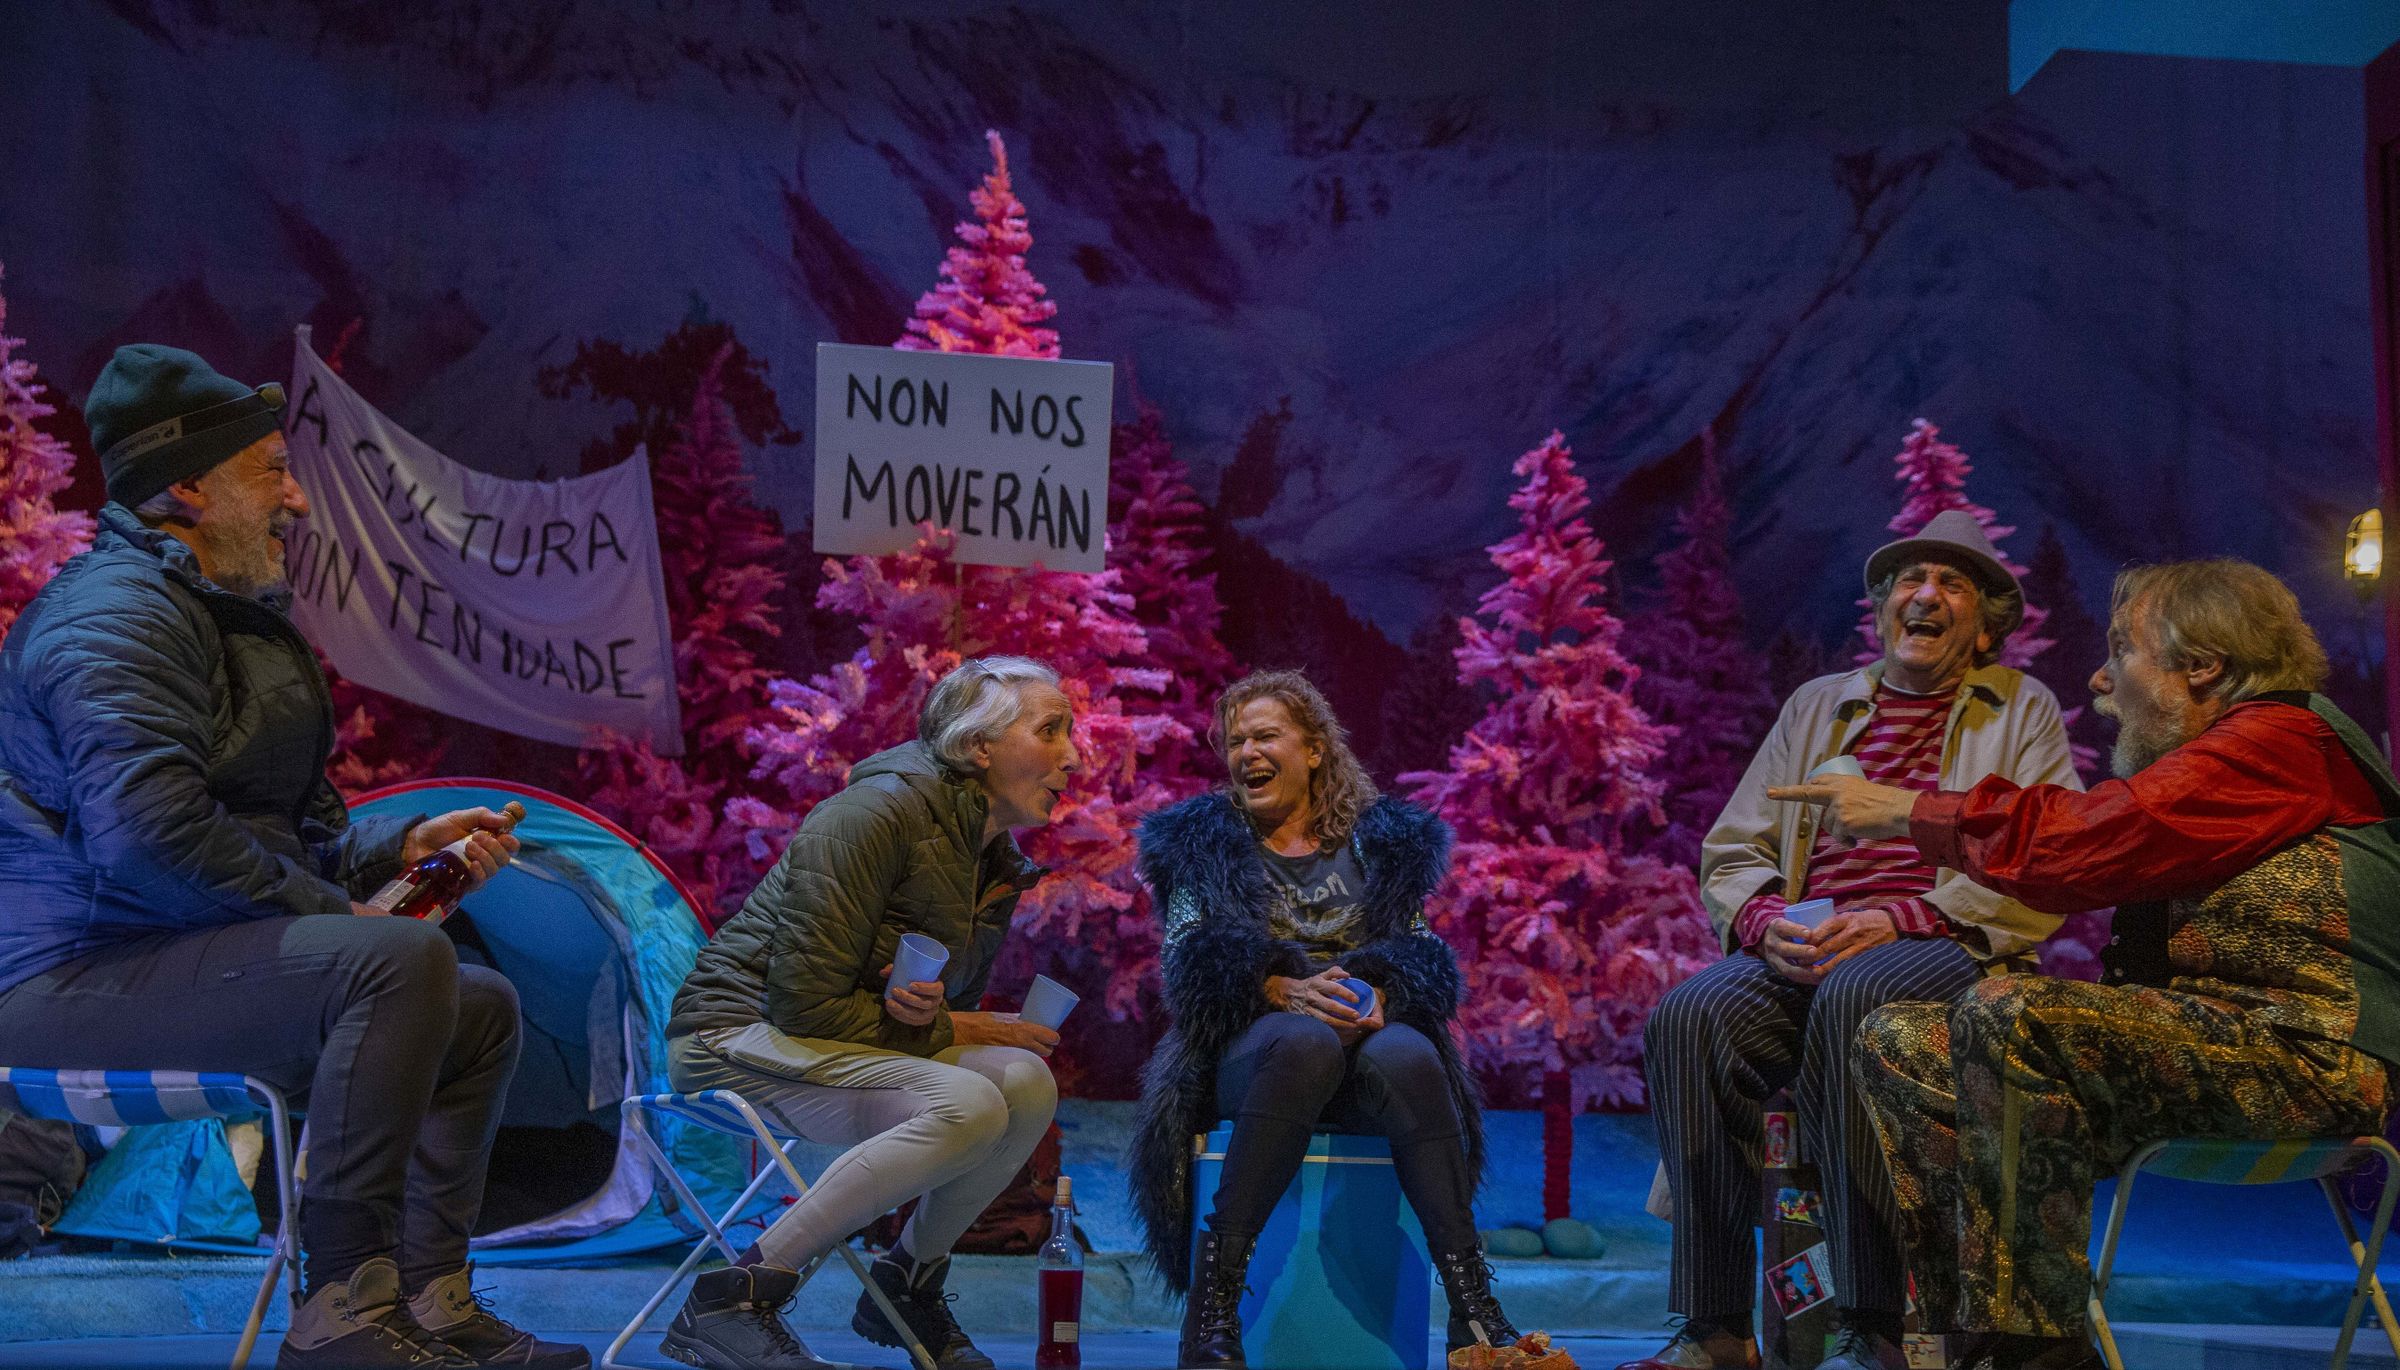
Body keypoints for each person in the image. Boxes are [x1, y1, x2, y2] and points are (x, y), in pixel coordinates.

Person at [0, 345, 578, 1370]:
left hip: (168, 954)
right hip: (65, 977)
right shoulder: (113, 617)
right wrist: (338, 915)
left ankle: (427, 1296)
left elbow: (276, 831)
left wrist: (393, 850)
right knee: (395, 963)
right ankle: (341, 1314)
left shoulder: (229, 619)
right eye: (271, 468)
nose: (297, 497)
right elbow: (144, 834)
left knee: (477, 1005)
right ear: (187, 485)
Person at [1778, 560, 2400, 1370]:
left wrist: (1904, 808)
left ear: (2203, 665)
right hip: (2209, 1052)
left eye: (2123, 651)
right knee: (1897, 1036)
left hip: (2308, 1056)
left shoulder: (2280, 740)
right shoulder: (2229, 752)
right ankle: (1947, 1339)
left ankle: (2031, 1350)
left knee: (2011, 1009)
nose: (2102, 678)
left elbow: (2080, 843)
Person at [1623, 510, 2081, 1370]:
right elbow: (1735, 847)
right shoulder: (1818, 706)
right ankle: (1715, 1332)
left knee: (1860, 992)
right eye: (1911, 580)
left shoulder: (2021, 709)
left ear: (1984, 623)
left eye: (1952, 584)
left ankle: (1869, 1328)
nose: (1926, 595)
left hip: (1951, 939)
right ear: (1880, 609)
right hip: (1814, 938)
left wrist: (1905, 916)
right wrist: (1762, 926)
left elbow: (2044, 855)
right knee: (1688, 1016)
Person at [661, 656, 1077, 1370]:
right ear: (981, 746)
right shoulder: (873, 812)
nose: (1072, 755)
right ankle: (734, 1296)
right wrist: (962, 1026)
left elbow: (925, 1011)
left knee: (1025, 1082)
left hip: (825, 1042)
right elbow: (800, 1004)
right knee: (969, 1100)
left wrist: (928, 1012)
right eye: (1051, 731)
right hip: (731, 1035)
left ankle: (906, 1281)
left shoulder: (989, 860)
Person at [1130, 671, 1515, 1370]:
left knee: (1413, 1057)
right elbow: (1186, 959)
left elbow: (1422, 950)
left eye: (1265, 735)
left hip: (1363, 1041)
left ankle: (1473, 1308)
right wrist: (1278, 986)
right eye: (1236, 739)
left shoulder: (1379, 842)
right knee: (1304, 1042)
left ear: (1313, 750)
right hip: (1257, 1050)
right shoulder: (1203, 841)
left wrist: (1385, 998)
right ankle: (1214, 1304)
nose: (1247, 751)